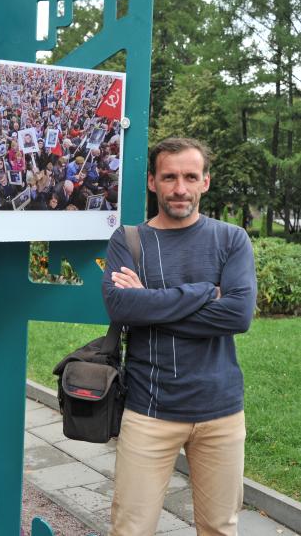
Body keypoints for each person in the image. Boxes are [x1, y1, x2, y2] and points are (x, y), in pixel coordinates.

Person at [102, 137, 257, 536]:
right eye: (169, 177)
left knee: (220, 527)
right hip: (149, 411)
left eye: (190, 176)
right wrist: (206, 293)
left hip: (221, 411)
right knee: (130, 528)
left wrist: (149, 307)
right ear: (153, 181)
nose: (180, 188)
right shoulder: (130, 240)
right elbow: (122, 308)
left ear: (206, 181)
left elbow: (239, 315)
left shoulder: (231, 239)